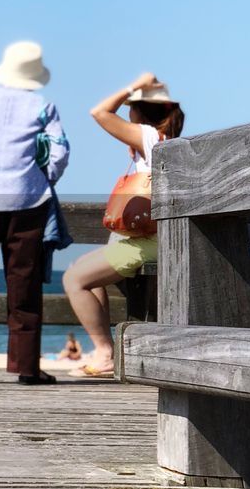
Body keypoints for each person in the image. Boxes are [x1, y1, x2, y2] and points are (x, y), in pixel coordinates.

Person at [0, 41, 70, 386]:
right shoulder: (42, 105)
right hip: (26, 200)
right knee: (25, 284)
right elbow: (60, 151)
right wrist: (46, 177)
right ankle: (26, 367)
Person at [63, 74, 184, 378]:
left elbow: (99, 112)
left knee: (74, 279)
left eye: (131, 105)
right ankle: (105, 350)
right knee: (84, 270)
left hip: (149, 243)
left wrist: (132, 85)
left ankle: (105, 353)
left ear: (139, 111)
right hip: (156, 238)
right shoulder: (164, 141)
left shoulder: (148, 135)